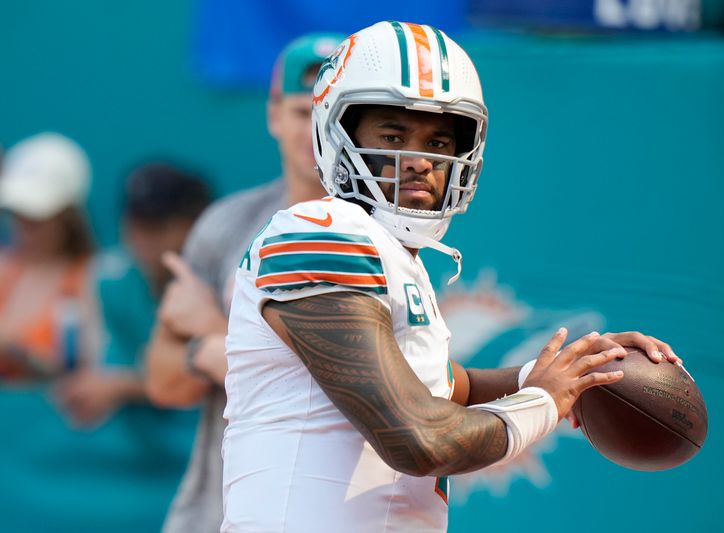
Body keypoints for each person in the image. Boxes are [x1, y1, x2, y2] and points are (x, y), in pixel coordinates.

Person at [221, 21, 682, 532]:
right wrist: (544, 401)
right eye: (394, 135)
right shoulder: (319, 232)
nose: (420, 160)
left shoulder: (392, 253)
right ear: (337, 135)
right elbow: (418, 439)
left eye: (439, 141)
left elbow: (442, 387)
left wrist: (571, 372)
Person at [143, 33, 345, 533]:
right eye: (302, 113)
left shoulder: (386, 237)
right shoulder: (226, 225)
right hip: (211, 514)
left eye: (332, 114)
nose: (317, 131)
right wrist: (210, 354)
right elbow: (163, 381)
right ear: (273, 116)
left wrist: (212, 333)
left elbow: (337, 398)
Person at [55, 162, 212, 427]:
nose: (143, 236)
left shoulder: (223, 282)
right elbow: (112, 365)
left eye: (159, 225)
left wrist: (121, 386)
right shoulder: (110, 280)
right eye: (136, 222)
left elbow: (212, 376)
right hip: (137, 445)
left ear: (194, 224)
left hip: (211, 440)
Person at [0, 132, 100, 380]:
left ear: (68, 217)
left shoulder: (93, 278)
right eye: (16, 212)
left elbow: (89, 375)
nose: (23, 227)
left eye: (36, 217)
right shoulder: (4, 266)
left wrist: (18, 353)